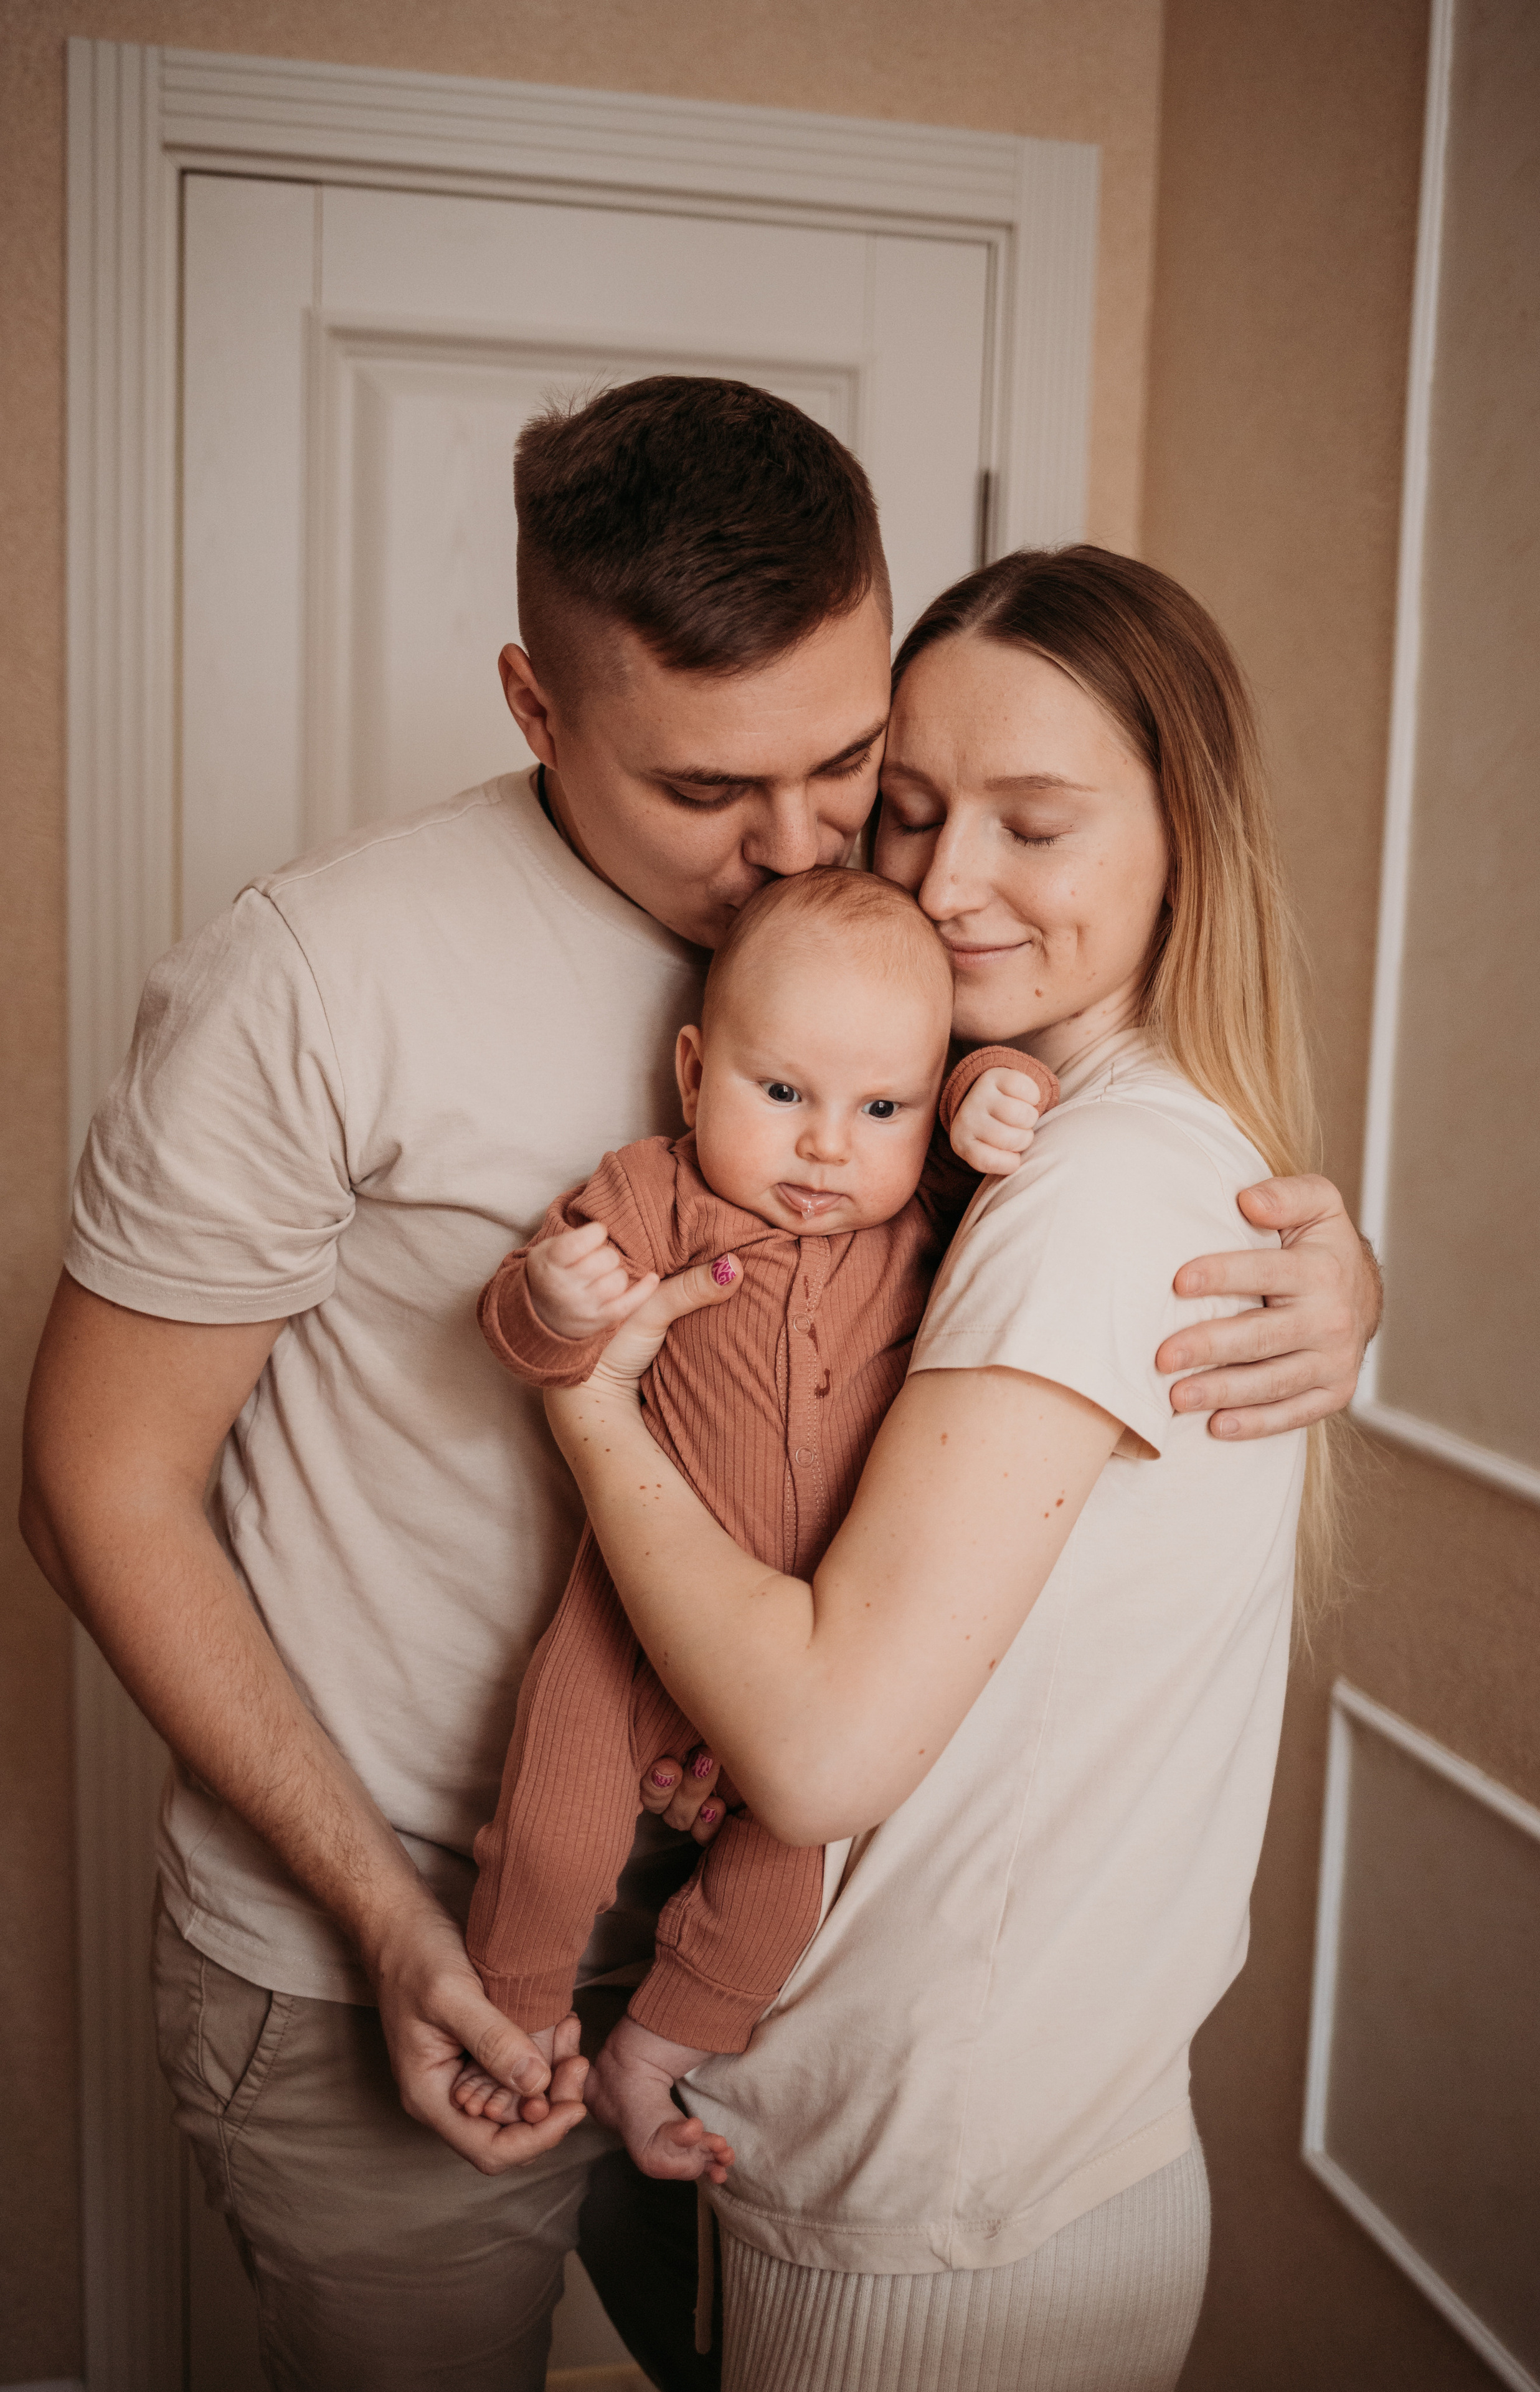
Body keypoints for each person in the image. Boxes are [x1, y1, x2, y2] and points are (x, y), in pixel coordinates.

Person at [19, 377, 1378, 2392]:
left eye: (849, 767)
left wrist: (1338, 1280)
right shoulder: (318, 978)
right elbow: (94, 1488)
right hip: (392, 1949)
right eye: (708, 789)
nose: (805, 849)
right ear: (535, 705)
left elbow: (1095, 1154)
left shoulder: (915, 949)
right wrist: (390, 1923)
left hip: (739, 1955)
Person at [532, 544, 1339, 2392]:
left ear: (1185, 839)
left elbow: (821, 1753)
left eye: (1032, 827)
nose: (946, 884)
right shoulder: (1042, 1150)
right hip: (985, 2164)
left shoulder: (1096, 1193)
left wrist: (590, 1413)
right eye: (908, 811)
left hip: (940, 2222)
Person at [454, 868, 1056, 2181]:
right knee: (552, 1828)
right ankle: (514, 2015)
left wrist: (988, 1091)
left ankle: (647, 2058)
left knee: (781, 1883)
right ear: (693, 1074)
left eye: (881, 1106)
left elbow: (1000, 1124)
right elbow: (517, 1333)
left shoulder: (922, 1216)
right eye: (781, 1093)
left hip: (808, 1645)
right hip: (628, 1616)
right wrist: (551, 1302)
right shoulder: (659, 1195)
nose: (827, 1147)